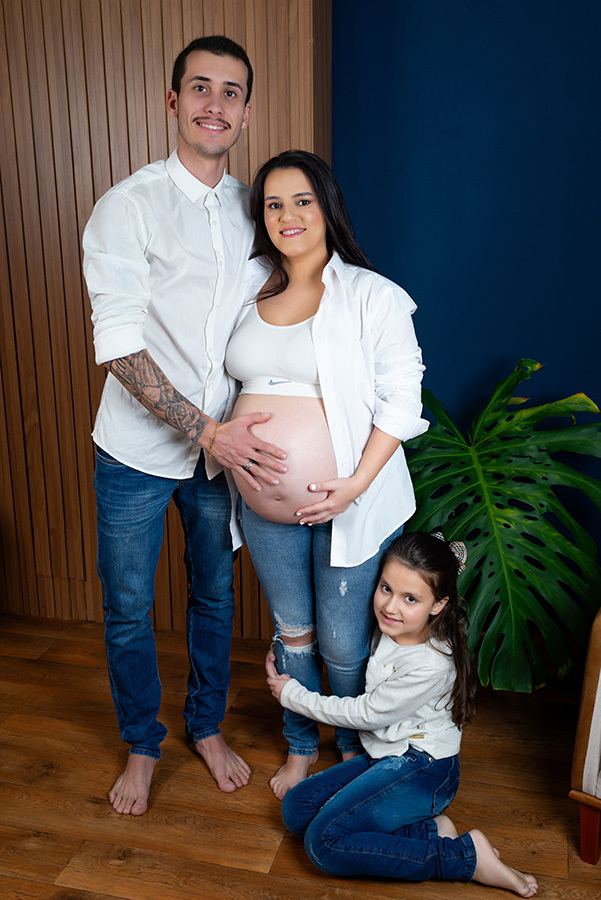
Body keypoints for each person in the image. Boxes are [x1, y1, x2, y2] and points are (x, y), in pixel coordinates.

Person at [82, 35, 288, 816]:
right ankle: (143, 743)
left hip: (219, 457)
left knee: (213, 599)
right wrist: (209, 433)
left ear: (245, 112)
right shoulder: (127, 206)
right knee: (128, 609)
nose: (214, 103)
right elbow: (119, 346)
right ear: (173, 102)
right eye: (200, 87)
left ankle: (205, 726)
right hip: (136, 453)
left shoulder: (256, 209)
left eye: (230, 92)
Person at [225, 150, 429, 798]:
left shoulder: (371, 295)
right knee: (294, 632)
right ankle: (299, 746)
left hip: (352, 502)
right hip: (264, 508)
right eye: (273, 203)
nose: (287, 215)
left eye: (302, 200)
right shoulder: (247, 291)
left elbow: (402, 401)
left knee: (342, 644)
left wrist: (354, 485)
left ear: (326, 207)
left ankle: (350, 748)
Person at [266, 531, 539, 897]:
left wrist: (292, 695)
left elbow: (367, 713)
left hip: (425, 769)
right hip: (386, 753)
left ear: (438, 605)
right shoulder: (393, 627)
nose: (390, 607)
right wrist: (286, 649)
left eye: (410, 598)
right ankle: (429, 832)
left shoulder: (431, 664)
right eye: (386, 589)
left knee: (323, 844)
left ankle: (463, 858)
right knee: (296, 809)